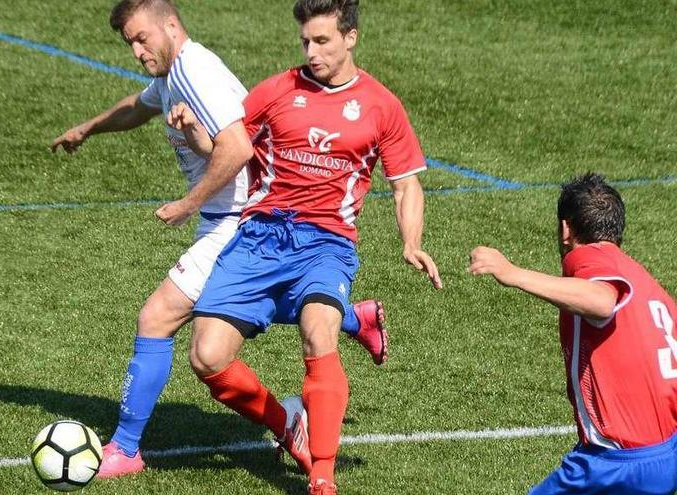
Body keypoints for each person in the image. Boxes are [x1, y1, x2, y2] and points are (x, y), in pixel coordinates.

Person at [49, 0, 389, 479]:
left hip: (239, 218)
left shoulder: (198, 73)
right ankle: (354, 320)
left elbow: (238, 147)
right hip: (226, 217)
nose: (137, 51)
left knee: (157, 317)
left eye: (142, 38)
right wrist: (89, 127)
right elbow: (141, 104)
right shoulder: (173, 73)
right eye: (129, 43)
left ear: (170, 25)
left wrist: (188, 204)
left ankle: (126, 448)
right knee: (239, 324)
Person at [176, 1, 442, 492]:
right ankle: (285, 423)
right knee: (207, 357)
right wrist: (194, 130)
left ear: (351, 38)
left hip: (326, 243)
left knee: (318, 331)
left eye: (321, 41)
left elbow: (406, 183)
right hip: (259, 238)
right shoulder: (276, 91)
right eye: (305, 42)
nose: (311, 52)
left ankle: (322, 477)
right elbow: (226, 151)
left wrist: (412, 242)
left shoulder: (382, 105)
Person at [469, 173, 677, 495]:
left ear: (566, 229)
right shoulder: (650, 286)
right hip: (666, 453)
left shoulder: (590, 258)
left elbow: (602, 301)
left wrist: (512, 273)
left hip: (616, 463)